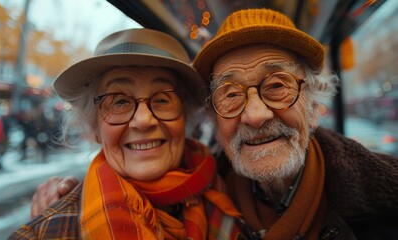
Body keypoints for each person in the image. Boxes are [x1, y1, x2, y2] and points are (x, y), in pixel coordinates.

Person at [30, 9, 398, 239]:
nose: (254, 115)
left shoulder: (211, 199)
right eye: (231, 93)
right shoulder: (55, 226)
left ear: (314, 104)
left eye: (276, 86)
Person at [9, 28, 245, 239]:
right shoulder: (45, 233)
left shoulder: (233, 190)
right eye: (119, 101)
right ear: (95, 128)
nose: (143, 120)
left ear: (185, 119)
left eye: (163, 99)